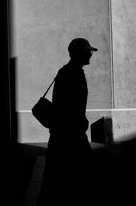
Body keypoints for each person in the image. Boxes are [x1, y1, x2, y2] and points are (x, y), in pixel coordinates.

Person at [37, 38, 98, 206]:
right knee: (78, 177)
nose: (90, 55)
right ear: (77, 53)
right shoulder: (72, 73)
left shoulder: (69, 72)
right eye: (88, 52)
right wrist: (79, 123)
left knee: (57, 179)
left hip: (65, 135)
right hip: (70, 136)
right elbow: (67, 107)